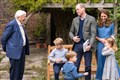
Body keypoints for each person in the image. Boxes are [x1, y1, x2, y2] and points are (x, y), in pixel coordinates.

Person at [69, 3, 97, 80]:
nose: (76, 11)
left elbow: (93, 34)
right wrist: (73, 37)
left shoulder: (91, 19)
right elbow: (70, 32)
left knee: (88, 66)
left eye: (77, 9)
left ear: (83, 9)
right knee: (75, 66)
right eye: (76, 9)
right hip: (77, 46)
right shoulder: (75, 20)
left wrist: (90, 45)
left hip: (87, 46)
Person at [1, 10, 29, 80]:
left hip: (22, 50)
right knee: (15, 71)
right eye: (24, 16)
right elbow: (4, 38)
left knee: (20, 70)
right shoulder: (12, 24)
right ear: (19, 17)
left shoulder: (21, 25)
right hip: (14, 51)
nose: (25, 18)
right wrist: (7, 49)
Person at [95, 9, 115, 80]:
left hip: (109, 45)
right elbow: (95, 35)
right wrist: (101, 39)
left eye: (105, 16)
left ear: (107, 16)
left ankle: (111, 77)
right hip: (100, 45)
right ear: (99, 16)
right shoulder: (97, 24)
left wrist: (110, 41)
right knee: (100, 62)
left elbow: (112, 34)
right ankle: (100, 77)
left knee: (111, 61)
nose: (103, 18)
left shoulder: (111, 24)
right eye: (102, 16)